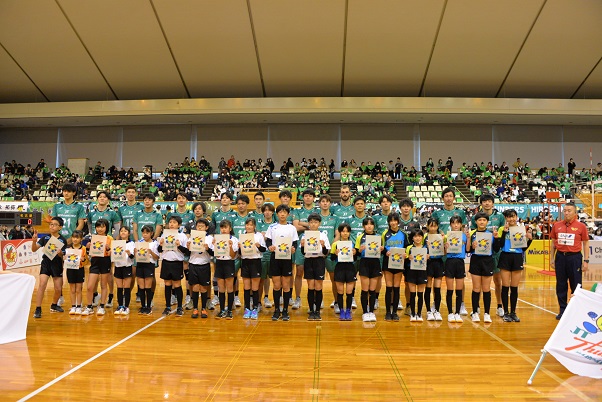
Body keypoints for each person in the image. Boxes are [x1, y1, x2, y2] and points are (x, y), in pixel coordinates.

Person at [550, 202, 589, 320]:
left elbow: (586, 243)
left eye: (569, 211)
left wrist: (586, 260)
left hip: (575, 258)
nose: (566, 213)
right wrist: (552, 258)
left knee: (576, 284)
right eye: (565, 210)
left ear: (575, 212)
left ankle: (576, 310)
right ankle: (563, 310)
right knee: (561, 284)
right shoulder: (557, 225)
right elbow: (553, 243)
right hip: (560, 257)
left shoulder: (581, 226)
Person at [432, 187, 468, 315]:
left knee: (460, 279)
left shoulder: (460, 213)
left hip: (456, 252)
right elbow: (433, 230)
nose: (448, 198)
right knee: (437, 278)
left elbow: (463, 229)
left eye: (450, 196)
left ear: (454, 198)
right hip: (441, 251)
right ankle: (435, 303)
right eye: (446, 196)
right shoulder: (437, 213)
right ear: (443, 198)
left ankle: (461, 303)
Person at [470, 193, 505, 317]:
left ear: (493, 203)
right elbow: (473, 235)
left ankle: (499, 306)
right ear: (481, 204)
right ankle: (477, 307)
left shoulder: (500, 217)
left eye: (489, 201)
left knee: (497, 281)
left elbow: (502, 233)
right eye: (484, 201)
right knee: (478, 284)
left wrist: (497, 239)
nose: (487, 203)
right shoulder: (475, 218)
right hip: (480, 255)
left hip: (495, 254)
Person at [496, 209, 532, 322]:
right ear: (505, 218)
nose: (511, 219)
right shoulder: (502, 229)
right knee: (505, 286)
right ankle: (506, 313)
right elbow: (500, 245)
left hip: (517, 258)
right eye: (509, 217)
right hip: (505, 257)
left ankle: (513, 312)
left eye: (513, 216)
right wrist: (504, 233)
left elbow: (523, 248)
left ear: (516, 217)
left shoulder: (521, 229)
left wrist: (530, 240)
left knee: (514, 287)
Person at [265, 204, 298, 321]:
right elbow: (268, 241)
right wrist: (270, 247)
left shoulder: (292, 228)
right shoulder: (272, 227)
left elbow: (295, 243)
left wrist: (293, 248)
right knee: (276, 285)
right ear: (277, 214)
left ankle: (285, 310)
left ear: (288, 214)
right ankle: (276, 310)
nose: (282, 214)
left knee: (286, 285)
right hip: (275, 258)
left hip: (287, 258)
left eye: (284, 212)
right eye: (280, 212)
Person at [32, 217, 67, 318]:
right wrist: (34, 241)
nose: (52, 226)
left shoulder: (62, 240)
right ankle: (38, 308)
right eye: (51, 224)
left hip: (57, 264)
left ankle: (54, 305)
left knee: (58, 288)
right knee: (42, 285)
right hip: (46, 263)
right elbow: (34, 249)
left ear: (60, 227)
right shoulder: (45, 238)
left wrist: (60, 254)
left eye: (55, 224)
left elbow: (63, 256)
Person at [469, 212, 501, 323]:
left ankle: (487, 313)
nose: (481, 222)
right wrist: (472, 246)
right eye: (479, 220)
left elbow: (496, 249)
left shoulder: (491, 234)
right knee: (476, 288)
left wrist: (497, 239)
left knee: (486, 289)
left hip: (487, 261)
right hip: (475, 261)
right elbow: (468, 250)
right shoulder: (472, 234)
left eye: (484, 220)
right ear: (476, 222)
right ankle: (475, 312)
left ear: (487, 222)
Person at [158, 215, 189, 317]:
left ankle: (179, 307)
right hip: (166, 262)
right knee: (167, 284)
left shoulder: (182, 236)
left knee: (177, 284)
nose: (171, 224)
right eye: (170, 222)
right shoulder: (164, 234)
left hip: (177, 263)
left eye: (174, 222)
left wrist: (179, 245)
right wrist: (160, 244)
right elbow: (159, 250)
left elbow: (186, 251)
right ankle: (167, 306)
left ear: (179, 225)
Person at [292, 188, 318, 310]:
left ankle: (315, 300)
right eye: (306, 196)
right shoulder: (297, 211)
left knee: (314, 274)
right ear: (303, 198)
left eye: (310, 196)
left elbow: (317, 227)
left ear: (313, 198)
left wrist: (302, 223)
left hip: (315, 245)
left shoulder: (317, 211)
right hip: (300, 245)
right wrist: (310, 225)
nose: (308, 198)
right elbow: (296, 227)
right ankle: (298, 298)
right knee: (299, 271)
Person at [301, 213, 330, 321]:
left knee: (318, 286)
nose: (313, 224)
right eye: (311, 222)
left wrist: (323, 246)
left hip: (319, 261)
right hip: (309, 261)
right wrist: (302, 246)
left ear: (319, 223)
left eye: (316, 222)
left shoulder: (323, 235)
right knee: (310, 286)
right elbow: (303, 252)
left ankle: (317, 311)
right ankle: (311, 310)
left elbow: (326, 252)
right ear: (309, 223)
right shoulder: (305, 235)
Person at [82, 219, 113, 316]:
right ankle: (89, 306)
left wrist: (108, 248)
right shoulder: (93, 238)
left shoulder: (110, 238)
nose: (100, 229)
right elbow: (88, 253)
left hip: (105, 261)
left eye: (103, 227)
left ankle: (102, 306)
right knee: (90, 286)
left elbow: (112, 252)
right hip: (95, 262)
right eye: (98, 227)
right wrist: (88, 247)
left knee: (103, 285)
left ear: (106, 228)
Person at [210, 220, 239, 319]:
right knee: (221, 288)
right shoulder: (217, 239)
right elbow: (217, 255)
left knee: (230, 288)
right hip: (219, 263)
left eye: (225, 227)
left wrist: (230, 246)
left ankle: (229, 310)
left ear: (230, 229)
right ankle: (222, 310)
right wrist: (215, 246)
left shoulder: (234, 239)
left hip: (229, 264)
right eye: (222, 228)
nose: (223, 230)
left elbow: (233, 256)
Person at [355, 217, 383, 322]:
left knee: (372, 289)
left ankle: (371, 312)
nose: (369, 226)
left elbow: (383, 251)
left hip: (375, 263)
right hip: (364, 263)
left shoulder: (378, 237)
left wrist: (382, 249)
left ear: (374, 226)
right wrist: (359, 250)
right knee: (365, 289)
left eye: (371, 224)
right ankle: (364, 312)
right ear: (363, 226)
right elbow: (356, 253)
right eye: (367, 224)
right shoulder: (360, 237)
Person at [240, 217, 267, 320]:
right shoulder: (242, 236)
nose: (249, 227)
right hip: (245, 262)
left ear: (254, 226)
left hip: (256, 262)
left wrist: (259, 246)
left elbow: (264, 249)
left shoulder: (259, 236)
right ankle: (247, 308)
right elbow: (239, 252)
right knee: (246, 287)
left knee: (255, 287)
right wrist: (239, 247)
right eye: (247, 225)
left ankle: (255, 308)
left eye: (251, 225)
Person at [445, 216, 470, 323]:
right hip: (449, 262)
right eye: (453, 223)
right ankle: (450, 313)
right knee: (450, 290)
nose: (456, 225)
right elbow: (444, 252)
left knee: (459, 290)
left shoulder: (464, 236)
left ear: (461, 225)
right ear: (450, 224)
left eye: (458, 223)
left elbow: (468, 249)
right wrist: (445, 247)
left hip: (460, 262)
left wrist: (468, 238)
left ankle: (457, 313)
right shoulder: (447, 236)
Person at [382, 212, 405, 321]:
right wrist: (385, 252)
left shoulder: (403, 234)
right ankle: (387, 312)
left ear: (398, 221)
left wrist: (406, 255)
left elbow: (407, 247)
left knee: (396, 288)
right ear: (388, 222)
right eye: (391, 221)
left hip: (399, 263)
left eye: (395, 220)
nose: (393, 223)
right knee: (389, 288)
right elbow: (381, 248)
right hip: (388, 263)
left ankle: (395, 312)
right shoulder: (384, 234)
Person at [331, 223, 357, 321]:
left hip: (350, 268)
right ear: (340, 232)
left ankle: (348, 311)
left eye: (347, 231)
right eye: (343, 231)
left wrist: (355, 253)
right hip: (339, 268)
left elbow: (355, 258)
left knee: (349, 291)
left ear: (349, 233)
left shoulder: (353, 244)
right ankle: (342, 311)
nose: (345, 233)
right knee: (340, 291)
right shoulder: (335, 244)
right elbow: (332, 258)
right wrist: (335, 254)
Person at [188, 219, 213, 319]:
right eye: (198, 225)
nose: (200, 227)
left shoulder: (210, 238)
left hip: (204, 264)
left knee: (203, 288)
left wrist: (208, 249)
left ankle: (203, 308)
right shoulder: (191, 237)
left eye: (202, 226)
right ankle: (195, 308)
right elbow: (187, 252)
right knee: (195, 287)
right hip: (193, 264)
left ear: (206, 227)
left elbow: (213, 253)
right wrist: (188, 247)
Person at [135, 225, 160, 315]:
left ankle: (148, 306)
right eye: (143, 233)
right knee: (141, 287)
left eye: (147, 233)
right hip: (140, 265)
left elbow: (157, 257)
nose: (145, 234)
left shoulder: (155, 243)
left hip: (149, 265)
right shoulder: (139, 242)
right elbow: (135, 256)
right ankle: (143, 306)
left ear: (151, 233)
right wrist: (135, 252)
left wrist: (151, 252)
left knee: (148, 286)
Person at [405, 229, 428, 322]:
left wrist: (428, 257)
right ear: (412, 238)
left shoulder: (426, 248)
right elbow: (405, 259)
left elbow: (429, 260)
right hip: (411, 272)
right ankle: (413, 314)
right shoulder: (409, 248)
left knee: (420, 294)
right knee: (412, 294)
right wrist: (408, 257)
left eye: (419, 236)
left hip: (422, 272)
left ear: (422, 237)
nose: (417, 238)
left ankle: (419, 314)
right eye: (415, 236)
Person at [424, 218, 444, 321]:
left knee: (437, 288)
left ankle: (437, 310)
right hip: (428, 263)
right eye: (431, 226)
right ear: (427, 226)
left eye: (435, 226)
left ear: (437, 226)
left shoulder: (441, 237)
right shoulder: (424, 237)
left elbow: (445, 251)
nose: (433, 228)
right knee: (428, 287)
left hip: (438, 262)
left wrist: (444, 244)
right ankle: (428, 311)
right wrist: (426, 249)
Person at [113, 226, 135, 316]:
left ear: (128, 233)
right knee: (119, 288)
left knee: (126, 287)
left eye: (125, 231)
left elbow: (133, 257)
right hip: (118, 266)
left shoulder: (131, 243)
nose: (123, 232)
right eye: (121, 231)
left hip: (127, 267)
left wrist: (129, 253)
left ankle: (126, 306)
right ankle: (120, 306)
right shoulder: (116, 243)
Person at [257, 203, 275, 309]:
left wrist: (265, 236)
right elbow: (260, 237)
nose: (267, 212)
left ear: (272, 212)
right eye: (265, 210)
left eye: (269, 210)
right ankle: (258, 302)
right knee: (261, 278)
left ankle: (267, 297)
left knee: (273, 279)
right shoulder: (259, 224)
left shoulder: (276, 225)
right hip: (262, 255)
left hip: (273, 254)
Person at [65, 230, 87, 315]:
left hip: (79, 270)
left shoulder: (83, 248)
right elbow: (65, 259)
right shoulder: (68, 249)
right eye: (73, 237)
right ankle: (73, 306)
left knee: (78, 289)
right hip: (70, 270)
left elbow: (86, 261)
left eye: (77, 238)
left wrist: (83, 259)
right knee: (72, 289)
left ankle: (79, 306)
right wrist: (64, 258)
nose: (75, 239)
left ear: (81, 239)